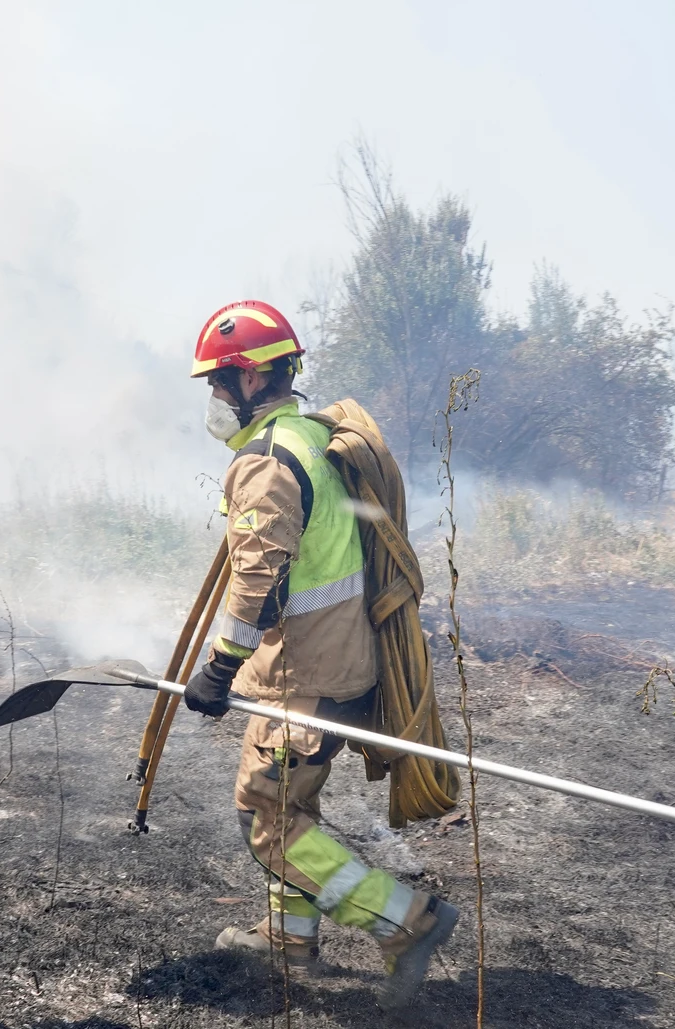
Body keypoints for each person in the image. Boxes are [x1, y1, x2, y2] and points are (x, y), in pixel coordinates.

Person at [181, 300, 459, 1009]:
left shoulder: (266, 463)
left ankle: (404, 920)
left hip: (305, 675)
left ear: (249, 379)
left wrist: (219, 667)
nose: (213, 397)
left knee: (267, 821)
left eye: (217, 381)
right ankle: (288, 939)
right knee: (285, 801)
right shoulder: (311, 438)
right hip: (335, 664)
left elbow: (259, 580)